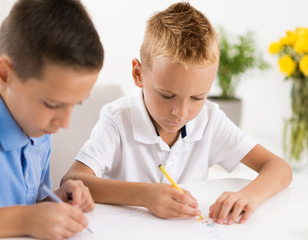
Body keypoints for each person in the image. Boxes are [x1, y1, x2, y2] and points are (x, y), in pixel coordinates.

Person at [62, 2, 292, 225]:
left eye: (197, 98)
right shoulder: (118, 119)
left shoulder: (210, 120)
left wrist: (249, 196)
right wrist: (145, 195)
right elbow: (72, 181)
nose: (180, 113)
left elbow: (279, 167)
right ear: (139, 73)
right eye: (166, 95)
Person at [0, 0, 104, 239]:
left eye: (76, 103)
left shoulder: (38, 130)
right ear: (4, 75)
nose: (64, 123)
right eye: (53, 104)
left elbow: (23, 205)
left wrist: (51, 202)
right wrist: (25, 219)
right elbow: (20, 218)